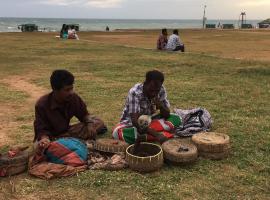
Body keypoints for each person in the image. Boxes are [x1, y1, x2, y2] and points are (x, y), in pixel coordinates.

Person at [34, 70, 107, 149]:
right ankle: (61, 142)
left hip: (67, 132)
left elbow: (84, 115)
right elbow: (41, 130)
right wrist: (45, 139)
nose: (71, 92)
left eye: (72, 88)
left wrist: (89, 124)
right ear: (55, 90)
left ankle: (65, 141)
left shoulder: (73, 97)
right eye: (67, 90)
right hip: (51, 137)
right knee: (39, 146)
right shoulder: (42, 104)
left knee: (97, 121)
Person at [112, 70, 182, 144]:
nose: (154, 94)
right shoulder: (135, 92)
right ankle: (160, 133)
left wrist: (161, 106)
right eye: (151, 90)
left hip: (150, 120)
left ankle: (147, 136)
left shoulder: (161, 89)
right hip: (131, 125)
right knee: (117, 133)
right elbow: (135, 121)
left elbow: (167, 115)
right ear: (145, 83)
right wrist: (157, 135)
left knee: (177, 117)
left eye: (156, 91)